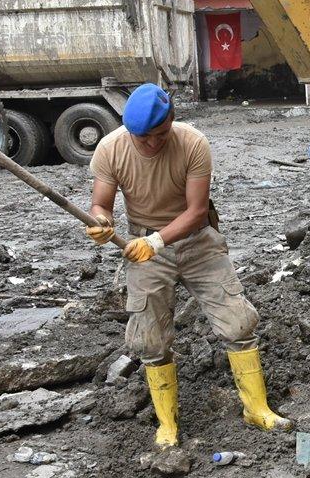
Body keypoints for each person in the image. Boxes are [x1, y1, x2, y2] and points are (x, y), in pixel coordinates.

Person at [86, 83, 290, 448]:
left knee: (238, 321)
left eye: (158, 135)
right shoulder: (110, 148)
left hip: (196, 241)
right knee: (149, 337)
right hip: (143, 245)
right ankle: (168, 424)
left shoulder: (193, 143)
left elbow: (197, 211)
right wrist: (101, 222)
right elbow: (100, 203)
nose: (151, 144)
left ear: (173, 119)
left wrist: (158, 240)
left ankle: (256, 408)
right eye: (142, 137)